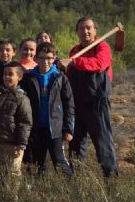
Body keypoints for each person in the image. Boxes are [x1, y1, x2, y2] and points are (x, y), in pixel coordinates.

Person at [66, 16, 117, 177]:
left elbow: (99, 64)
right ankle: (77, 183)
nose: (85, 31)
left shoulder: (102, 47)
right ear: (77, 32)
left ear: (95, 30)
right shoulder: (74, 51)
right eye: (81, 28)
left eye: (88, 28)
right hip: (77, 104)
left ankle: (112, 185)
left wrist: (74, 62)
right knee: (75, 146)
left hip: (97, 103)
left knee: (103, 145)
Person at [20, 43, 74, 176]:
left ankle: (71, 188)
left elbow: (69, 104)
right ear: (36, 59)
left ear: (54, 57)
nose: (46, 61)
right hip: (36, 127)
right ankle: (39, 191)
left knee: (59, 160)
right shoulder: (28, 78)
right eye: (42, 58)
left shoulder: (60, 77)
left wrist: (68, 128)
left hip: (55, 128)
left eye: (49, 58)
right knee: (37, 162)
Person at [0, 62, 33, 180]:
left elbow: (25, 123)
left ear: (19, 77)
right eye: (4, 74)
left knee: (12, 176)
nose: (6, 77)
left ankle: (12, 199)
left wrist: (21, 145)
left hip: (13, 145)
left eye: (10, 74)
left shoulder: (22, 98)